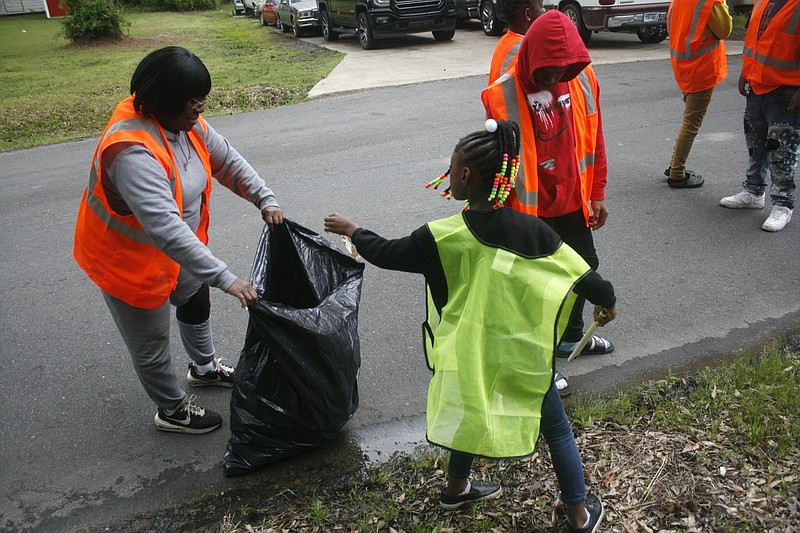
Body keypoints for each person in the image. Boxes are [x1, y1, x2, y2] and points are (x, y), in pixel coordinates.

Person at [324, 119, 616, 533]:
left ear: (464, 176)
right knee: (556, 431)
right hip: (521, 355)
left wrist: (354, 230)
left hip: (465, 350)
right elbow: (584, 275)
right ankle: (578, 514)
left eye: (452, 165)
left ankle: (456, 488)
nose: (448, 172)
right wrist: (608, 303)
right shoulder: (535, 232)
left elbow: (387, 253)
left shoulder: (441, 236)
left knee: (468, 411)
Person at [73, 46, 286, 435]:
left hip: (180, 254)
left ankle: (204, 370)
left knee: (194, 300)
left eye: (201, 99)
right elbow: (165, 228)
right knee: (152, 344)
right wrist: (228, 278)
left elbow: (226, 160)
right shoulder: (131, 152)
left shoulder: (186, 123)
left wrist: (264, 197)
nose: (199, 108)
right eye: (192, 101)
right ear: (164, 100)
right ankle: (171, 409)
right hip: (129, 264)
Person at [482, 10, 615, 379]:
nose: (555, 79)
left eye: (562, 71)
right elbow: (498, 162)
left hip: (572, 203)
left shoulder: (583, 79)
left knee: (583, 270)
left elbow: (595, 135)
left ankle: (571, 338)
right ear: (531, 58)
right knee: (538, 292)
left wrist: (598, 191)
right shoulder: (505, 93)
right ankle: (539, 366)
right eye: (548, 72)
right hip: (531, 211)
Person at [719, 0, 799, 232]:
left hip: (787, 89)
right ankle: (754, 191)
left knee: (781, 151)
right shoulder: (762, 1)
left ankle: (783, 204)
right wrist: (745, 72)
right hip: (757, 84)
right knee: (756, 144)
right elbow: (754, 40)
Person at [663, 0, 732, 188]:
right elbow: (725, 30)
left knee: (689, 119)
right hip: (702, 69)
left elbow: (671, 27)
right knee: (691, 122)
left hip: (683, 66)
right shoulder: (712, 2)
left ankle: (674, 165)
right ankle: (677, 173)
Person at [487, 0, 545, 85]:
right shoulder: (527, 52)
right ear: (528, 14)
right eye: (541, 6)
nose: (545, 11)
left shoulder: (505, 42)